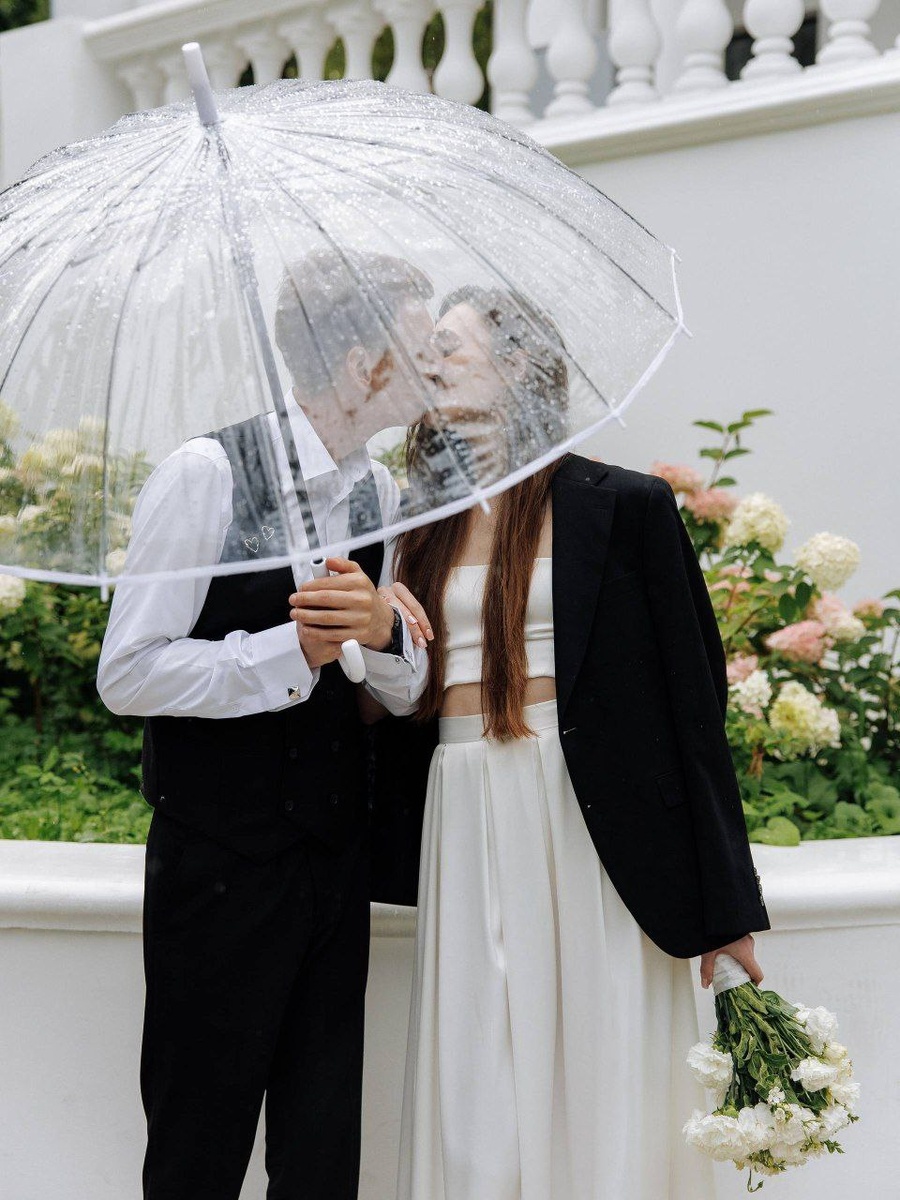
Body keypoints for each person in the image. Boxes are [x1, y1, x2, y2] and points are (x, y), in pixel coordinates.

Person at [377, 285, 771, 1200]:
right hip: (462, 809)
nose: (430, 365)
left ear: (518, 365)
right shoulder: (409, 524)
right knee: (476, 1075)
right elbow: (393, 698)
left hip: (592, 818)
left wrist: (725, 908)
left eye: (450, 347)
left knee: (603, 1052)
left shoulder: (625, 506)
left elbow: (693, 710)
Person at [97, 250, 441, 1200]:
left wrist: (381, 636)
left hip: (334, 859)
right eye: (417, 348)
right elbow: (127, 671)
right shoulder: (203, 474)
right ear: (361, 363)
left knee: (322, 1152)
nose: (433, 369)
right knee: (197, 1149)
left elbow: (398, 690)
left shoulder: (378, 495)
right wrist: (290, 651)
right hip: (218, 864)